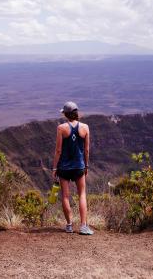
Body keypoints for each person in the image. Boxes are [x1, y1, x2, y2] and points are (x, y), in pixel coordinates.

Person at [52, 101, 93, 235]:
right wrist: (86, 165)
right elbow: (86, 150)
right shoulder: (85, 127)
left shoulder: (61, 128)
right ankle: (83, 226)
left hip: (64, 167)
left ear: (65, 114)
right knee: (82, 194)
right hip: (79, 167)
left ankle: (69, 225)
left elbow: (58, 150)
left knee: (65, 196)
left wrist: (54, 168)